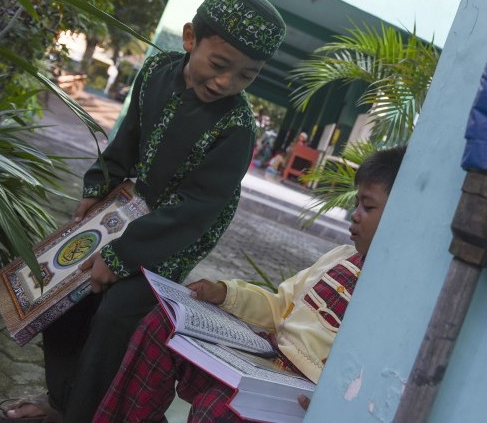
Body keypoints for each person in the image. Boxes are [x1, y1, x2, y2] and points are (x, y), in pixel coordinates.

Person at [0, 0, 287, 423]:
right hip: (124, 211)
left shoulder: (237, 127)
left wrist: (123, 255)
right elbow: (126, 139)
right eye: (220, 64)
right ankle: (60, 402)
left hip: (177, 234)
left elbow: (196, 209)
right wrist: (98, 185)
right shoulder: (156, 72)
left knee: (116, 314)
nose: (227, 82)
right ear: (191, 39)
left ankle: (82, 416)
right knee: (63, 294)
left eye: (246, 76)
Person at [92, 145, 406, 422]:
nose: (355, 215)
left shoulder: (398, 295)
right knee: (163, 323)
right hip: (263, 360)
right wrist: (225, 294)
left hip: (298, 398)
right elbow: (279, 306)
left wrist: (332, 406)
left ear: (405, 214)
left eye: (368, 206)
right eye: (358, 204)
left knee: (218, 411)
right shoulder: (340, 256)